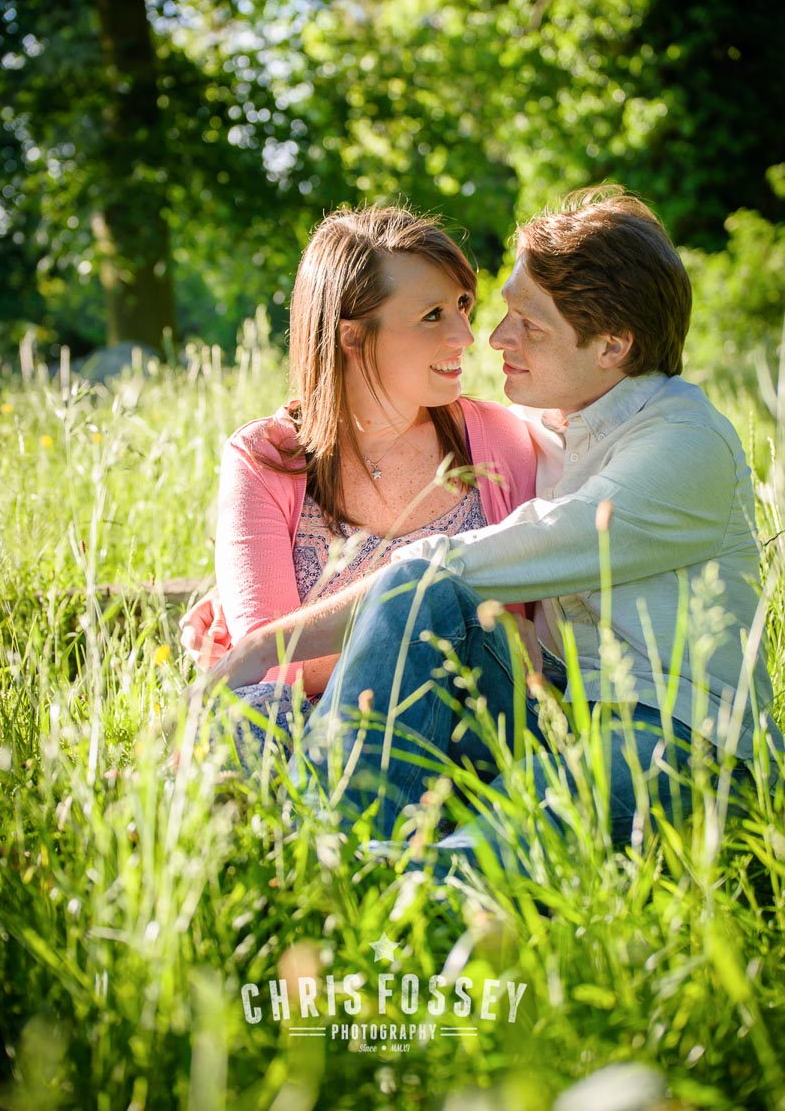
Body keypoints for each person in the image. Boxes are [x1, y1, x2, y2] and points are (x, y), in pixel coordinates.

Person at [201, 186, 783, 864]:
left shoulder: (682, 444)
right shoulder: (566, 418)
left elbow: (500, 551)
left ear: (613, 345)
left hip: (680, 734)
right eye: (501, 310)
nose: (489, 338)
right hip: (557, 713)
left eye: (528, 325)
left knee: (488, 836)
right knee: (419, 599)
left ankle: (342, 861)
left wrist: (268, 645)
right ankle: (338, 842)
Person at [183, 205, 537, 758]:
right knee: (248, 717)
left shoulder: (498, 439)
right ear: (352, 336)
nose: (466, 335)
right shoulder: (266, 458)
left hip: (459, 722)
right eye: (433, 315)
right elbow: (272, 665)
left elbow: (518, 638)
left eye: (463, 305)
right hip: (304, 722)